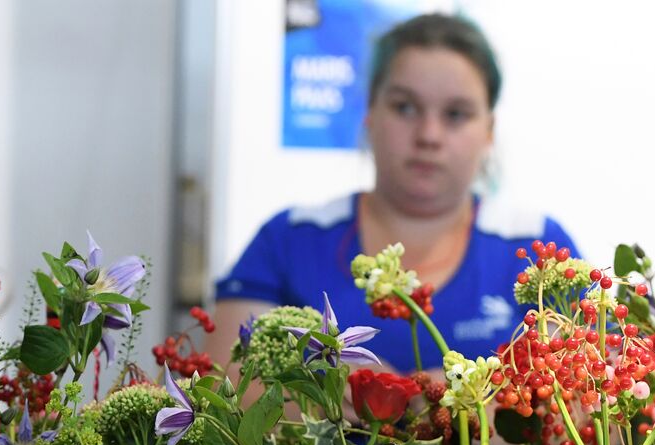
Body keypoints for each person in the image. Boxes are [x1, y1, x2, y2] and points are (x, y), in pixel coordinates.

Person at [211, 13, 580, 374]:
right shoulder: (289, 239)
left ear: (488, 130)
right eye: (404, 107)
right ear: (369, 114)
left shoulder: (539, 249)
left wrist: (466, 405)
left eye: (456, 114)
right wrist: (319, 397)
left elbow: (597, 410)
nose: (428, 135)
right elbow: (221, 387)